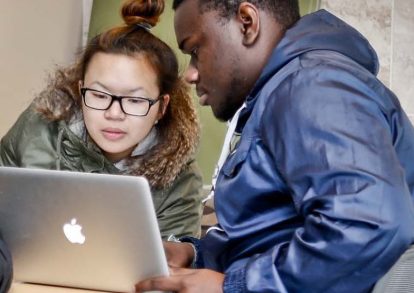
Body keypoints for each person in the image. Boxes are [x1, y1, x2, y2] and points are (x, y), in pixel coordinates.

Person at [135, 0, 414, 292]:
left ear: (247, 22)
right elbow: (276, 233)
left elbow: (366, 224)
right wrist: (196, 256)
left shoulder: (311, 85)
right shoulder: (285, 91)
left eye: (194, 51)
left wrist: (232, 287)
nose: (189, 74)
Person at [0, 0, 204, 240]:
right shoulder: (40, 127)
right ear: (80, 89)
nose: (114, 114)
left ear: (161, 108)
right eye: (98, 95)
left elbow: (169, 268)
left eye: (135, 100)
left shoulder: (181, 182)